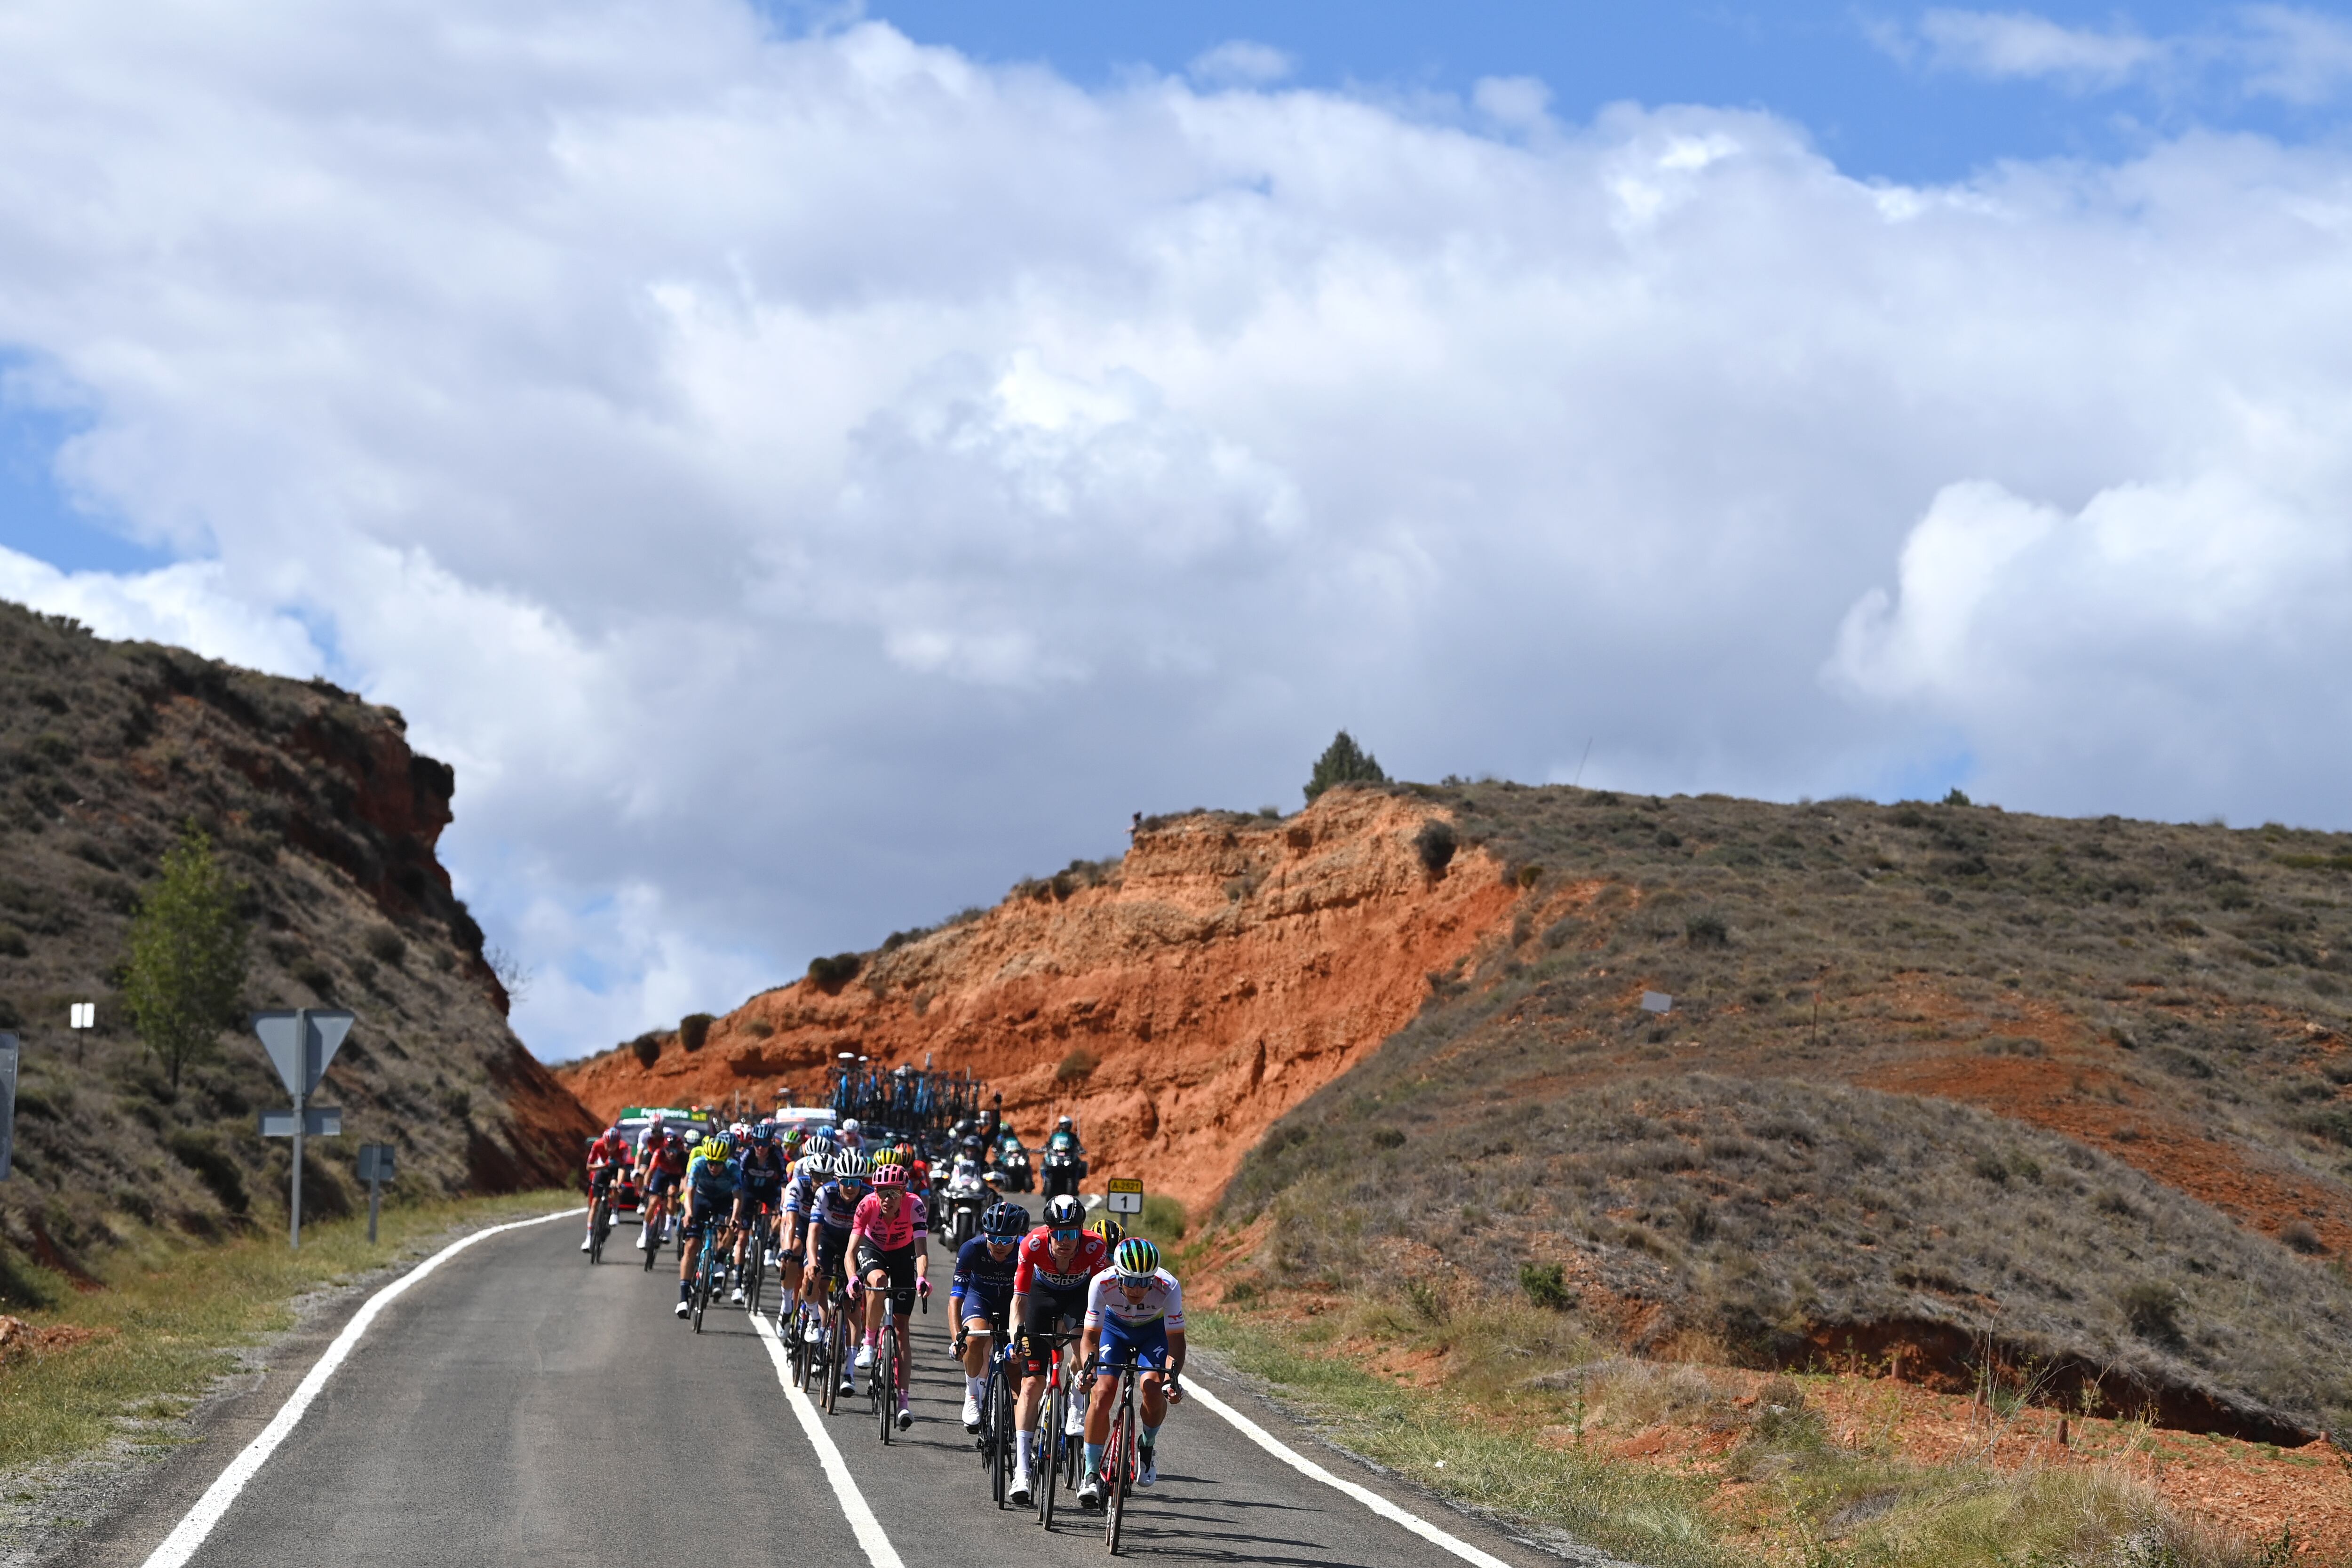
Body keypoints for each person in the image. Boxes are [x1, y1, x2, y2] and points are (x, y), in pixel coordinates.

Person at [1006, 1193, 1110, 1506]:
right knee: (1031, 1383)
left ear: (1081, 1231)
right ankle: (1022, 1470)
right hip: (1041, 1297)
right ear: (1048, 1232)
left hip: (1080, 1298)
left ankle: (1077, 1403)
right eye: (1059, 1234)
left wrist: (1096, 1346)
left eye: (1072, 1233)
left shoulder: (1096, 1248)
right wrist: (1015, 1339)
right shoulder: (1032, 1245)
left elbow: (1100, 1302)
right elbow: (1019, 1300)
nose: (1066, 1241)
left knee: (1083, 1354)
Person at [1076, 1237, 1184, 1505]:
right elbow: (1090, 1336)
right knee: (1103, 1392)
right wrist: (1088, 1369)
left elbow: (1176, 1341)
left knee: (1153, 1387)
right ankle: (1090, 1473)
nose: (1139, 1289)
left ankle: (1147, 1447)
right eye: (1132, 1281)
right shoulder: (1102, 1283)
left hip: (1153, 1333)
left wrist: (1172, 1379)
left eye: (1145, 1281)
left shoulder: (1168, 1286)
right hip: (1114, 1330)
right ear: (1118, 1274)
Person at [850, 1162, 931, 1429]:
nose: (887, 1199)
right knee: (879, 1281)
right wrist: (853, 1278)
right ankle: (870, 1342)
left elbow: (921, 1250)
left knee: (901, 1329)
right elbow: (852, 1251)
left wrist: (921, 1278)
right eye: (882, 1192)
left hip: (903, 1253)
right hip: (873, 1248)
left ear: (904, 1192)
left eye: (894, 1193)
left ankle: (904, 1403)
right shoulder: (867, 1205)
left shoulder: (915, 1205)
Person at [951, 1201, 1028, 1431]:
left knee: (1017, 1365)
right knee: (974, 1337)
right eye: (994, 1238)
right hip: (980, 1299)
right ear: (985, 1234)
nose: (1000, 1245)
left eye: (1007, 1240)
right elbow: (956, 1298)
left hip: (1013, 1304)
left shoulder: (1026, 1249)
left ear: (1018, 1236)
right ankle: (973, 1394)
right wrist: (957, 1338)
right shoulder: (971, 1249)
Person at [803, 1151, 872, 1393]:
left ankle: (850, 1372)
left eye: (857, 1182)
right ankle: (814, 1319)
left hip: (855, 1244)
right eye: (846, 1181)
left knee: (853, 1304)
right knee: (814, 1279)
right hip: (828, 1240)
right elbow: (813, 1232)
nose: (852, 1187)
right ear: (837, 1179)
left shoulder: (868, 1196)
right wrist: (812, 1262)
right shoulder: (825, 1193)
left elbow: (873, 1237)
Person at [676, 1133, 739, 1318]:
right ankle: (683, 1298)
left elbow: (738, 1196)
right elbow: (690, 1191)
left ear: (725, 1161)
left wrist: (735, 1217)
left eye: (718, 1163)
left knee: (732, 1226)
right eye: (711, 1162)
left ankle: (720, 1259)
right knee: (691, 1246)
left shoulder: (733, 1168)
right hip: (702, 1200)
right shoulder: (699, 1164)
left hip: (724, 1201)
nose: (713, 1167)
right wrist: (688, 1213)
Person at [728, 1122, 789, 1304]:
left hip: (770, 1192)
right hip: (749, 1192)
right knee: (742, 1238)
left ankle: (768, 1245)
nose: (761, 1148)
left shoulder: (777, 1156)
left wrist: (784, 1206)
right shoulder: (747, 1154)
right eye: (757, 1143)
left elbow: (785, 1183)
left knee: (782, 1215)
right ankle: (738, 1285)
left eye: (765, 1143)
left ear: (771, 1143)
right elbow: (737, 1180)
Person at [635, 1118, 688, 1253]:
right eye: (669, 1151)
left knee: (672, 1193)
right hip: (661, 1173)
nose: (671, 1154)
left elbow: (684, 1177)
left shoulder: (683, 1158)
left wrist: (681, 1192)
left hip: (675, 1177)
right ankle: (644, 1234)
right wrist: (646, 1187)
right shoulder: (659, 1153)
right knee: (653, 1202)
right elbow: (650, 1172)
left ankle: (668, 1229)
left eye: (675, 1151)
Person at [581, 1123, 632, 1251]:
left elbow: (622, 1168)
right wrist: (604, 1166)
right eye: (608, 1144)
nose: (610, 1148)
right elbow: (589, 1167)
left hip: (616, 1169)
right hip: (602, 1168)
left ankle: (614, 1211)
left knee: (615, 1185)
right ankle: (588, 1238)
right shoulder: (597, 1145)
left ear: (618, 1143)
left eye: (613, 1145)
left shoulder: (623, 1148)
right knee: (595, 1203)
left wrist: (619, 1183)